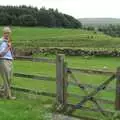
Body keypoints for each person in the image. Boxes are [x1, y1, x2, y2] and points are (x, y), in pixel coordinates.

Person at [0, 27, 15, 99]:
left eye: (9, 33)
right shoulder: (1, 41)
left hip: (9, 60)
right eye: (6, 33)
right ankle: (8, 96)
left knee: (9, 78)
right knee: (6, 79)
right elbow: (1, 54)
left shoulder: (8, 41)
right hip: (3, 60)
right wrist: (8, 47)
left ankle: (3, 93)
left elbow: (11, 52)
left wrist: (10, 47)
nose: (8, 34)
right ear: (3, 33)